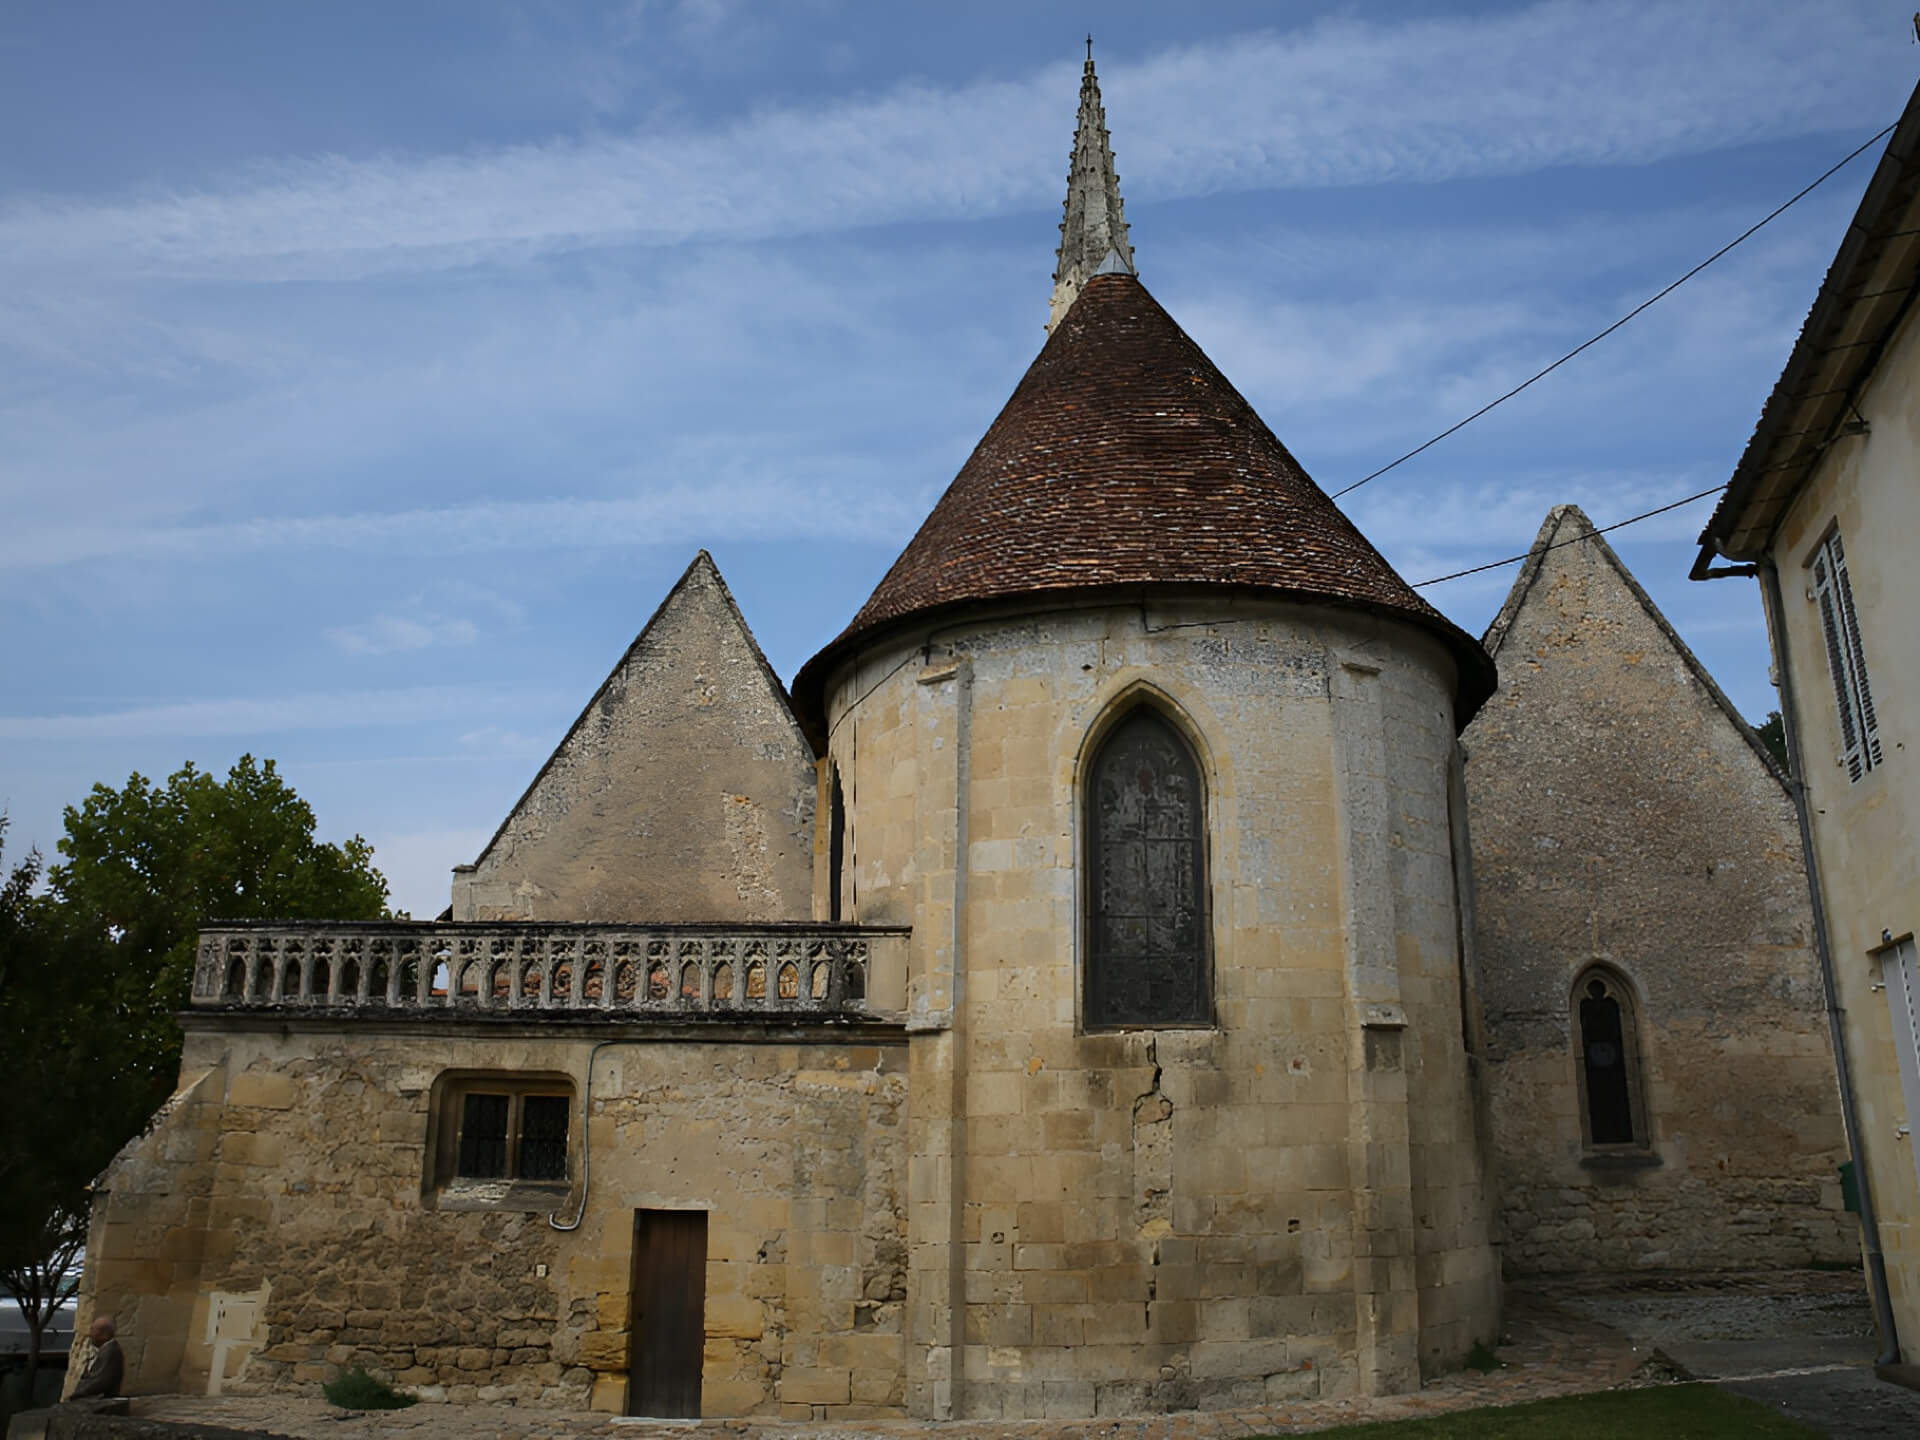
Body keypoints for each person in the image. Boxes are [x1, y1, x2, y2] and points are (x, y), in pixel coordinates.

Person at [68, 1316, 123, 1400]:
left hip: (98, 1400)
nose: (90, 1334)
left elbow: (99, 1381)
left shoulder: (110, 1352)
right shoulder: (107, 1350)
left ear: (104, 1334)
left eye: (93, 1330)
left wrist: (77, 1394)